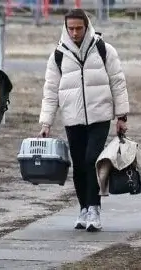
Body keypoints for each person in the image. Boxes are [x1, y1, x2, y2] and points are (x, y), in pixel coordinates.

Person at [39, 9, 129, 232]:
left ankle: (94, 209)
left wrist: (122, 116)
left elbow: (118, 83)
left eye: (79, 28)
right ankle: (83, 208)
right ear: (65, 28)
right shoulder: (58, 55)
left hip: (99, 116)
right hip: (73, 118)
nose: (75, 32)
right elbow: (50, 91)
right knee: (79, 164)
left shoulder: (103, 49)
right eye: (71, 28)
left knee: (92, 160)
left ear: (87, 26)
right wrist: (46, 123)